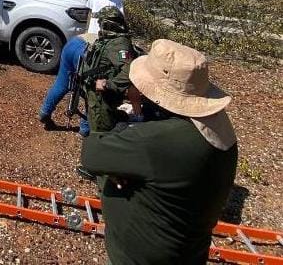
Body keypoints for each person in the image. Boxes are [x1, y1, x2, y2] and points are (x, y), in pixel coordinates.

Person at [81, 39, 237, 265]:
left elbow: (91, 153)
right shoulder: (220, 130)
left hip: (138, 257)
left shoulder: (154, 141)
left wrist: (131, 117)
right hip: (190, 252)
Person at [79, 6, 136, 132]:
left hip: (103, 99)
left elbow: (129, 70)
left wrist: (108, 84)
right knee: (95, 123)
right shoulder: (108, 40)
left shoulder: (119, 44)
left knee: (100, 132)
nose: (99, 25)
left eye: (101, 22)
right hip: (95, 96)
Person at [38, 32, 97, 135]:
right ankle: (85, 129)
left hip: (73, 43)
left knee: (61, 84)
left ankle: (44, 113)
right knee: (92, 94)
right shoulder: (121, 47)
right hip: (86, 53)